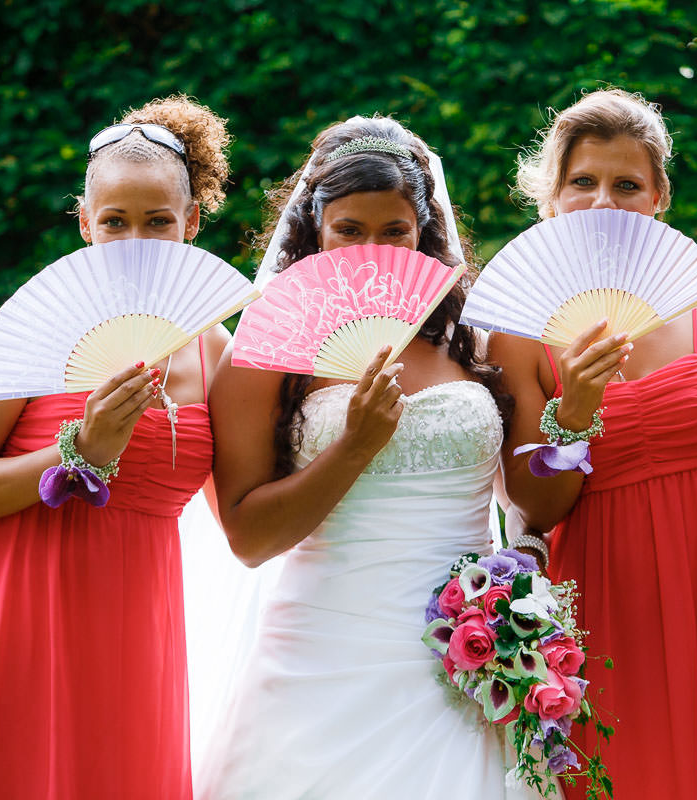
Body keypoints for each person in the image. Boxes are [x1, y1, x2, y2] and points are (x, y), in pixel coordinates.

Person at [193, 116, 542, 800]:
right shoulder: (266, 346)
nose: (371, 249)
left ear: (424, 232)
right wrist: (353, 447)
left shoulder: (473, 338)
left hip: (465, 652)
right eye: (349, 230)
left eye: (395, 231)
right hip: (325, 651)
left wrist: (522, 589)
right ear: (314, 228)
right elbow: (248, 538)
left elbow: (525, 501)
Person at [0, 95, 232, 799]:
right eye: (114, 221)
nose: (133, 240)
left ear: (192, 222)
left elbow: (248, 521)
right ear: (84, 222)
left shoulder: (217, 353)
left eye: (157, 222)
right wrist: (77, 449)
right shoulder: (28, 327)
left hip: (131, 643)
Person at [490, 88, 697, 799]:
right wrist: (578, 410)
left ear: (659, 196)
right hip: (603, 600)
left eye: (627, 184)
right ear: (552, 199)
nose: (604, 202)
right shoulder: (517, 329)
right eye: (583, 183)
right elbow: (535, 505)